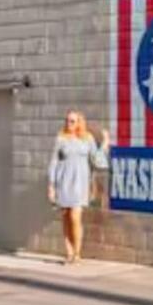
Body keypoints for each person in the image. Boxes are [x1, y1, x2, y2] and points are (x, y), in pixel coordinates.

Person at [47, 110, 109, 265]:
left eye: (72, 121)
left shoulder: (87, 138)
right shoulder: (61, 138)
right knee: (66, 217)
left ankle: (77, 253)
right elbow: (54, 162)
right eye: (67, 120)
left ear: (79, 123)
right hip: (63, 182)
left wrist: (105, 144)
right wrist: (51, 185)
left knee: (75, 217)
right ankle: (69, 253)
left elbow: (96, 159)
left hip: (80, 183)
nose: (69, 124)